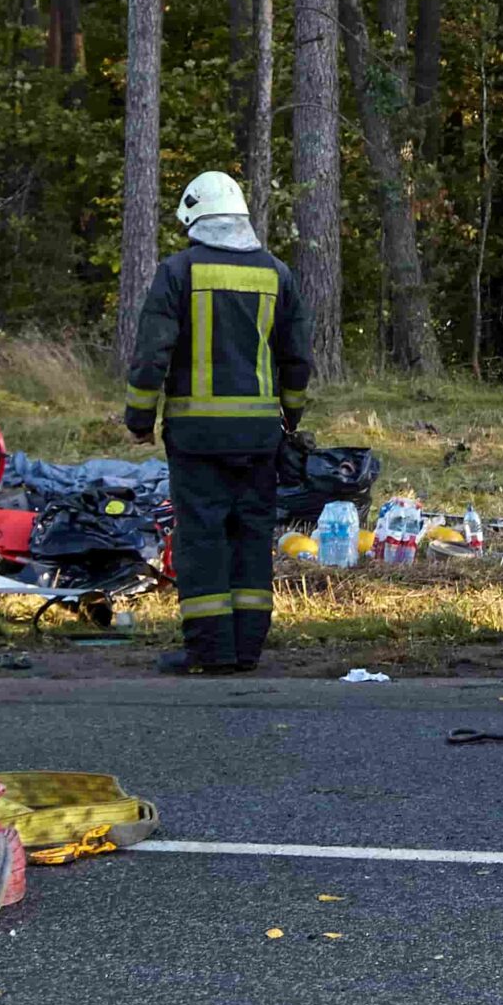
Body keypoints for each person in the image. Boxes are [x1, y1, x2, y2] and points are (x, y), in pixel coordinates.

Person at [124, 172, 314, 675]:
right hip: (259, 437)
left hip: (196, 437)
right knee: (252, 536)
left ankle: (210, 652)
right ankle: (247, 649)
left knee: (203, 537)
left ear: (194, 215)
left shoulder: (178, 271)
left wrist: (139, 416)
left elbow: (151, 354)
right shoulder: (277, 274)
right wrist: (289, 415)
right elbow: (297, 359)